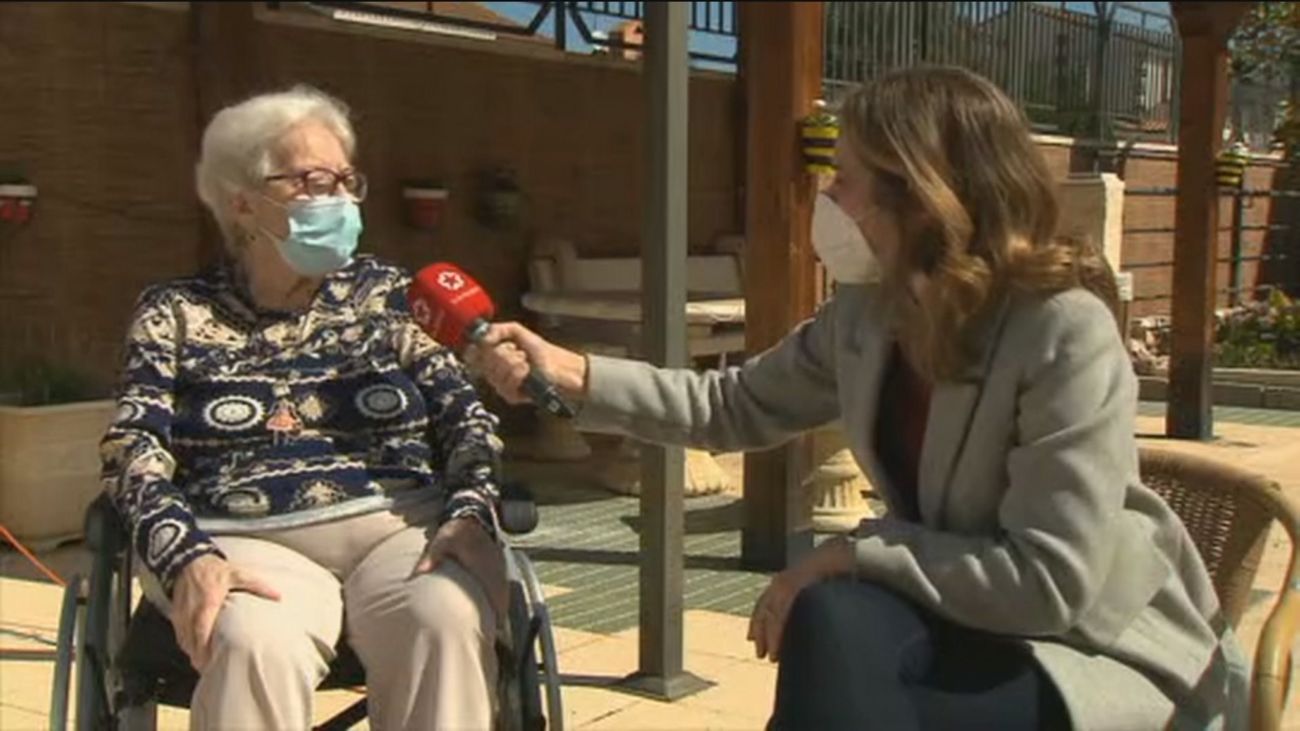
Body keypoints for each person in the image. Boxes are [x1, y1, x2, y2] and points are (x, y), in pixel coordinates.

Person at [467, 67, 1248, 730]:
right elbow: (730, 405)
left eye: (844, 177)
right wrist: (572, 373)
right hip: (958, 615)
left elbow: (1049, 583)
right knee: (831, 624)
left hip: (1085, 648)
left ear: (920, 194)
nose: (828, 195)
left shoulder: (1060, 329)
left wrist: (850, 552)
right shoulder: (870, 316)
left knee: (841, 651)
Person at [100, 85, 508, 730]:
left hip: (398, 529)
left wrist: (471, 512)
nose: (340, 200)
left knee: (447, 616)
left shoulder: (388, 296)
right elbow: (133, 453)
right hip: (246, 539)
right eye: (314, 182)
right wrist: (186, 558)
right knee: (253, 643)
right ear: (243, 202)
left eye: (347, 181)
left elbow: (467, 419)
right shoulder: (175, 312)